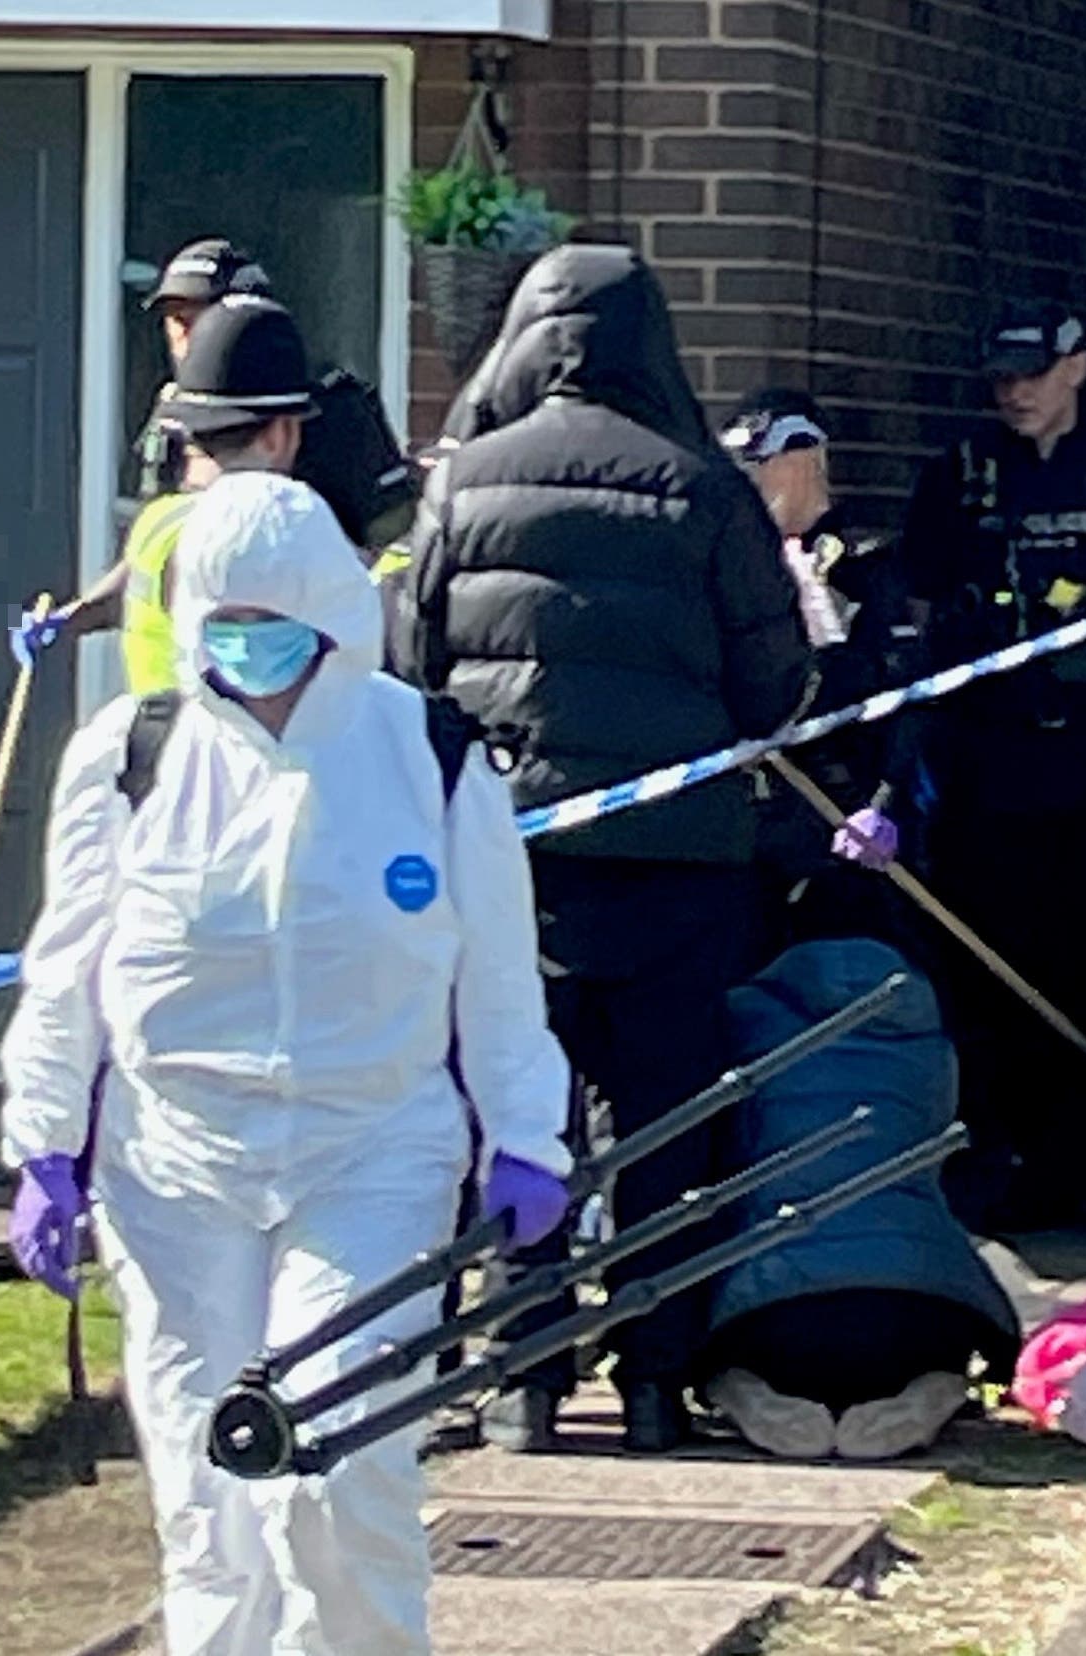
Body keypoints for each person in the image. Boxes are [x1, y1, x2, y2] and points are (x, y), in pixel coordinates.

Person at [0, 469, 574, 1655]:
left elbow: (501, 969)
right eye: (229, 622)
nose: (252, 649)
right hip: (175, 1166)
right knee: (209, 1494)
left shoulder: (430, 752)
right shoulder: (130, 756)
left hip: (372, 1147)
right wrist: (45, 1141)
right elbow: (67, 961)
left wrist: (528, 1137)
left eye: (280, 625)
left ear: (334, 616)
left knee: (337, 1458)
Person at [396, 245, 811, 1454]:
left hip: (510, 862)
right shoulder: (704, 487)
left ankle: (523, 1371)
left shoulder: (463, 483)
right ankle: (651, 1377)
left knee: (516, 1119)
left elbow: (414, 664)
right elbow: (774, 681)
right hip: (681, 864)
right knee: (668, 1125)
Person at [896, 299, 1086, 1237]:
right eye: (1002, 376)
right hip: (990, 768)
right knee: (992, 969)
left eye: (1033, 372)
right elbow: (911, 613)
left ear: (1077, 367)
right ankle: (1009, 1158)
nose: (1016, 392)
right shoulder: (959, 479)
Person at [16, 239, 416, 675]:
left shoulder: (332, 410)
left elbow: (396, 554)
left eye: (196, 317)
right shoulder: (171, 410)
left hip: (306, 686)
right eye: (174, 321)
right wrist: (78, 616)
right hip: (171, 708)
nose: (184, 335)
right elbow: (153, 556)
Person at [702, 939, 1022, 1461]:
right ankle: (932, 1390)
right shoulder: (926, 1039)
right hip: (919, 1305)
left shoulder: (745, 1026)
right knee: (938, 1337)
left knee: (721, 1343)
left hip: (770, 1312)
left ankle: (743, 1392)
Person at [719, 388, 927, 959]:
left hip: (844, 806)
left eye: (757, 467)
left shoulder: (864, 562)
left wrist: (882, 804)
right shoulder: (734, 562)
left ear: (804, 459)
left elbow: (905, 695)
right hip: (756, 815)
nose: (748, 484)